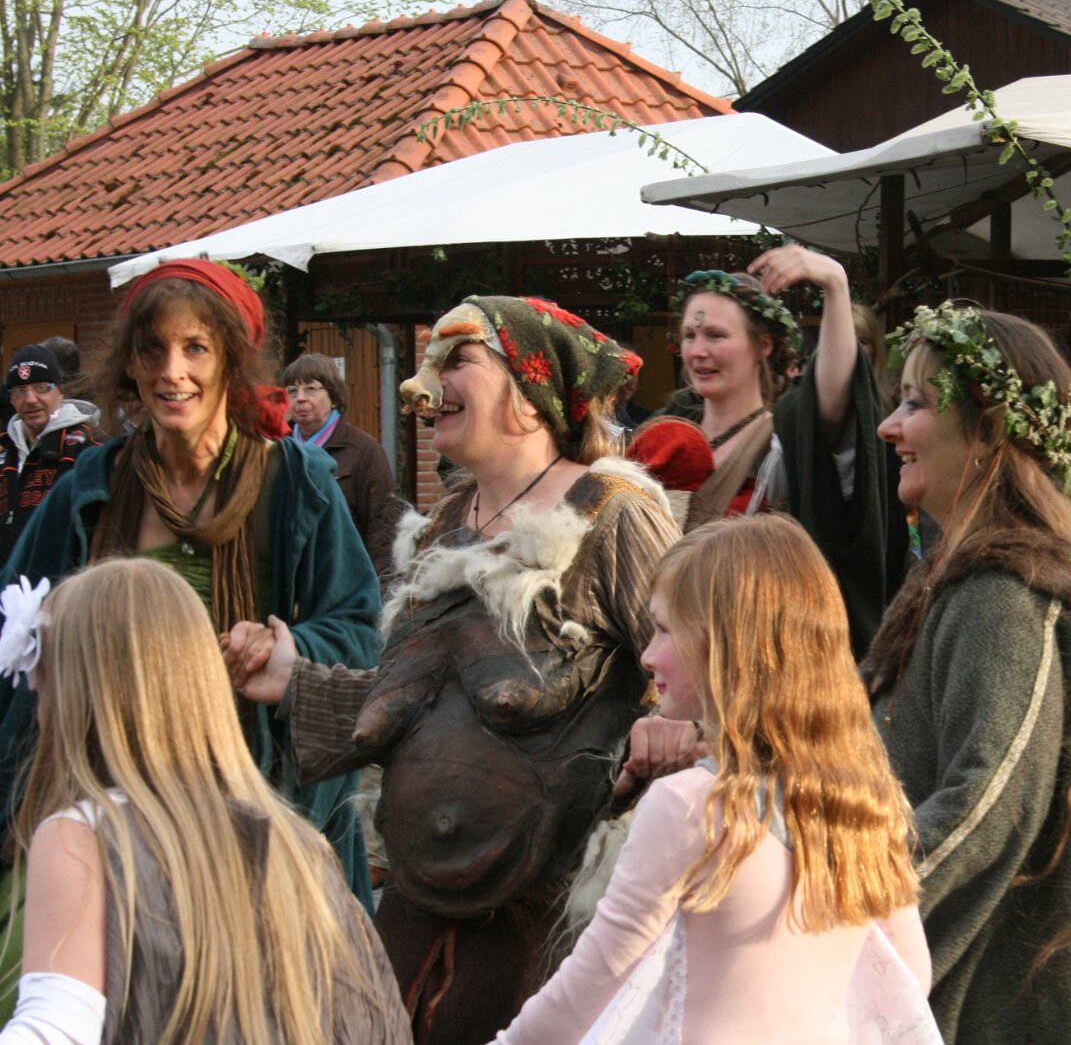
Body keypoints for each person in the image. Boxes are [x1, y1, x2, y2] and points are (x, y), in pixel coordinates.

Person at [230, 295, 678, 1044]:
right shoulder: (442, 524)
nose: (423, 382)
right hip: (416, 908)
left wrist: (675, 730)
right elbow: (429, 709)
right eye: (429, 360)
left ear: (530, 397)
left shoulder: (613, 513)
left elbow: (699, 676)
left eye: (457, 360)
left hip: (551, 925)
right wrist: (292, 680)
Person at [857, 302, 1071, 1044]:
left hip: (1002, 993)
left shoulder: (1004, 593)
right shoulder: (963, 574)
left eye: (915, 404)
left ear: (987, 430)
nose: (889, 427)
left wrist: (841, 919)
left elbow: (986, 808)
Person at [0, 259, 382, 907]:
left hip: (262, 813)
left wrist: (287, 648)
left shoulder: (295, 482)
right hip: (116, 815)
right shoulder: (91, 487)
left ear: (231, 361)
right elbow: (15, 641)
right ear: (130, 364)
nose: (172, 371)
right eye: (153, 349)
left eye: (196, 348)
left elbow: (361, 631)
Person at [490, 515, 937, 1044]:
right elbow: (911, 974)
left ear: (726, 643)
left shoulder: (690, 805)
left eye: (664, 630)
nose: (647, 655)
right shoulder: (863, 801)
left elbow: (593, 985)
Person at [0, 560, 407, 1043]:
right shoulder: (300, 848)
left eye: (41, 689)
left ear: (69, 698)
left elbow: (54, 1027)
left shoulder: (81, 836)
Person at [625, 245, 894, 657]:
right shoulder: (664, 431)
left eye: (716, 336)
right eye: (690, 336)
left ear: (764, 344)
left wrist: (835, 284)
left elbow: (837, 400)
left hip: (750, 654)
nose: (697, 351)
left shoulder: (784, 439)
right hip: (651, 651)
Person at [282, 353, 401, 577]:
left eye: (311, 389)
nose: (300, 398)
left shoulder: (364, 451)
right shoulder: (278, 449)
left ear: (334, 397)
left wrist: (376, 587)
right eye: (292, 391)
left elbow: (383, 528)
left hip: (345, 578)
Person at [1, 346, 100, 560]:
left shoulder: (87, 447)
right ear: (11, 399)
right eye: (19, 391)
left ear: (60, 392)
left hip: (63, 577)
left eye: (41, 388)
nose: (30, 399)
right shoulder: (5, 453)